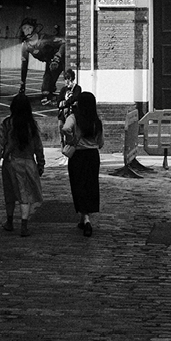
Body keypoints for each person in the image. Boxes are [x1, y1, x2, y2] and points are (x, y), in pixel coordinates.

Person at [0, 92, 45, 236]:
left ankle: (9, 221)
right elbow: (38, 146)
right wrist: (40, 163)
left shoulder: (7, 123)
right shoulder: (32, 125)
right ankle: (24, 225)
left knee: (10, 193)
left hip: (10, 163)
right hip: (28, 162)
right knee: (25, 194)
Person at [62, 90, 104, 237]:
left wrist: (71, 138)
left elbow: (66, 128)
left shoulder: (74, 117)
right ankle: (84, 218)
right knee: (90, 185)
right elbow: (101, 143)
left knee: (78, 185)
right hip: (92, 156)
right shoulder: (96, 121)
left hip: (78, 156)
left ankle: (85, 219)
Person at [18, 18, 65, 99]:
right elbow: (24, 65)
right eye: (24, 28)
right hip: (50, 63)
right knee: (45, 92)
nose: (27, 31)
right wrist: (22, 84)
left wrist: (57, 57)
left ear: (34, 28)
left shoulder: (45, 38)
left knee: (67, 78)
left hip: (61, 59)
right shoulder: (25, 45)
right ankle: (51, 85)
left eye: (30, 27)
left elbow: (64, 43)